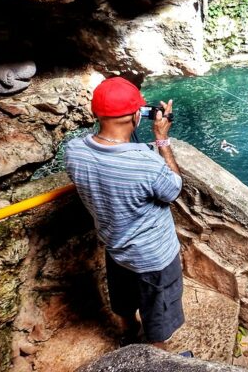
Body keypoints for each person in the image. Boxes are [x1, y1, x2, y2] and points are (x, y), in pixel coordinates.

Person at [64, 77, 184, 351]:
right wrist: (162, 140)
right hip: (154, 258)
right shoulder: (145, 162)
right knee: (159, 323)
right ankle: (157, 360)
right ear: (134, 115)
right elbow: (173, 189)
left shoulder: (73, 152)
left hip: (116, 249)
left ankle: (129, 338)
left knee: (125, 304)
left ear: (96, 114)